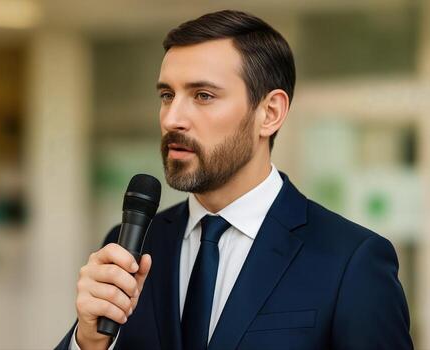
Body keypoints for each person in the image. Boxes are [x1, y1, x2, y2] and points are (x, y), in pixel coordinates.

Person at [56, 10, 413, 350]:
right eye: (167, 96)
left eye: (203, 96)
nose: (172, 119)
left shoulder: (350, 261)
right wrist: (89, 340)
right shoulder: (131, 249)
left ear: (269, 113)